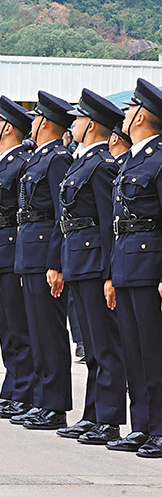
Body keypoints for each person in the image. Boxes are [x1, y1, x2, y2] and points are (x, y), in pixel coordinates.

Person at [55, 88, 126, 445]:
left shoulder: (102, 166)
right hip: (77, 260)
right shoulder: (82, 161)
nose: (74, 123)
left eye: (80, 118)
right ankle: (92, 415)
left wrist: (110, 273)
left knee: (105, 344)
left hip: (95, 262)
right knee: (92, 347)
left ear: (93, 124)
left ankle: (109, 419)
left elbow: (106, 223)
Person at [12, 91, 74, 430]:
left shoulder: (58, 159)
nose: (32, 123)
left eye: (35, 118)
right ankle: (40, 399)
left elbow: (59, 216)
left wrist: (54, 262)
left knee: (49, 333)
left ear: (45, 122)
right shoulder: (40, 157)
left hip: (43, 257)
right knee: (35, 331)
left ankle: (55, 404)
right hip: (29, 254)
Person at [107, 78, 162, 458]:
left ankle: (159, 428)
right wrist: (112, 273)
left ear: (141, 114)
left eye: (128, 110)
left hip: (150, 266)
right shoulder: (131, 161)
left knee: (154, 351)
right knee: (134, 351)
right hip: (126, 263)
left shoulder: (158, 159)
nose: (124, 116)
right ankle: (141, 424)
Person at [0, 97, 35, 419]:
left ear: (9, 127)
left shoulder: (21, 163)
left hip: (13, 251)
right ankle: (12, 389)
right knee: (5, 326)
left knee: (18, 326)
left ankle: (22, 392)